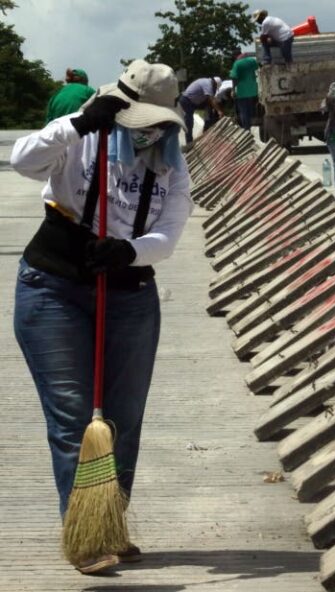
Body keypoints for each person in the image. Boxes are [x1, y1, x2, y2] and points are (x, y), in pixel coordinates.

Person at [10, 59, 193, 574]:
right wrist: (78, 124)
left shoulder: (172, 165)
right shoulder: (82, 135)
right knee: (73, 417)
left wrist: (129, 251)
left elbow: (168, 235)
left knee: (122, 421)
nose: (146, 133)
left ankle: (108, 521)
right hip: (53, 288)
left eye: (156, 126)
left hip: (128, 295)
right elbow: (23, 160)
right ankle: (85, 535)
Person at [179, 76, 225, 145]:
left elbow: (209, 100)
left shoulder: (206, 82)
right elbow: (211, 99)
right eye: (215, 87)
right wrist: (219, 111)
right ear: (215, 84)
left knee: (190, 120)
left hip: (191, 102)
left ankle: (207, 124)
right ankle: (189, 142)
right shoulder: (208, 84)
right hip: (187, 101)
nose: (215, 89)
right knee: (189, 122)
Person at [229, 50, 259, 130]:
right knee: (251, 109)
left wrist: (233, 90)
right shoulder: (252, 60)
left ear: (235, 56)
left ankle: (246, 129)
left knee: (244, 111)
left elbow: (234, 78)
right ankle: (253, 127)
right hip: (253, 91)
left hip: (242, 92)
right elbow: (257, 70)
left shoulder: (237, 64)